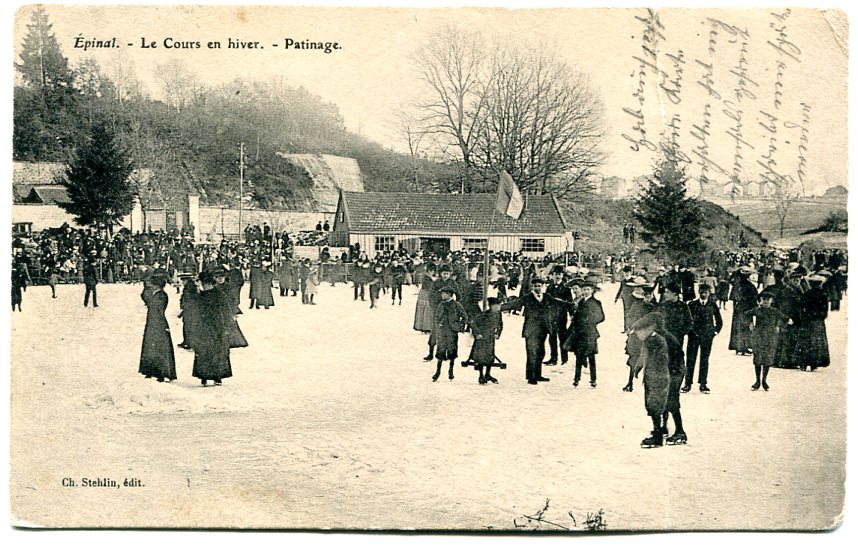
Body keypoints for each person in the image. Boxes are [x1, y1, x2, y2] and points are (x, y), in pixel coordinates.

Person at [502, 277, 565, 385]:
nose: (537, 288)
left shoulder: (546, 297)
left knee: (541, 352)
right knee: (532, 353)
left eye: (539, 286)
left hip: (543, 329)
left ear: (542, 287)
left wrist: (573, 305)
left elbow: (558, 302)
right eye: (535, 286)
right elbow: (515, 304)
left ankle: (538, 374)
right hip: (531, 330)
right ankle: (531, 376)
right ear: (532, 287)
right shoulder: (527, 298)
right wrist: (499, 307)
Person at [631, 312, 670, 448]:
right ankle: (658, 430)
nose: (637, 335)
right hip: (651, 378)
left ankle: (658, 437)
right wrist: (638, 368)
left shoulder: (658, 341)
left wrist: (655, 374)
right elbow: (643, 356)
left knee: (656, 406)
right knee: (653, 405)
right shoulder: (648, 341)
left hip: (658, 379)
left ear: (648, 329)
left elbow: (662, 361)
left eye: (638, 332)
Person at [191, 271, 233, 386]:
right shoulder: (200, 295)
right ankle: (203, 375)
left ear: (211, 283)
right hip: (203, 327)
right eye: (203, 284)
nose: (204, 286)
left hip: (217, 326)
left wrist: (227, 326)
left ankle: (217, 375)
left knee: (217, 351)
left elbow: (226, 311)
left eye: (206, 284)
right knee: (203, 351)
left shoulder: (219, 295)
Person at [565, 279, 605, 388]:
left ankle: (593, 379)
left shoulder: (596, 303)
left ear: (592, 291)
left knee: (591, 357)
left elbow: (601, 317)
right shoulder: (580, 302)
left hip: (590, 333)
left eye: (588, 289)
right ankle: (576, 378)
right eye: (584, 289)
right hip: (579, 333)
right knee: (579, 356)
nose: (586, 291)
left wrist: (590, 322)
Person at [138, 271, 177, 383]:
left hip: (158, 323)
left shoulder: (161, 295)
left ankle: (160, 372)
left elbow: (156, 309)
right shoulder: (156, 294)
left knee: (159, 348)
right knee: (152, 347)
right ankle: (151, 370)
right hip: (153, 322)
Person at [683, 283, 722, 394]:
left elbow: (719, 321)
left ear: (709, 293)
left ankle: (703, 384)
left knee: (704, 360)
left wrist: (714, 332)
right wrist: (690, 331)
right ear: (699, 292)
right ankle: (687, 383)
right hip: (693, 337)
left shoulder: (712, 305)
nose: (703, 294)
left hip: (707, 337)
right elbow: (687, 320)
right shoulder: (692, 304)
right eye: (701, 292)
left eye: (706, 292)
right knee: (690, 360)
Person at [747, 292, 786, 391]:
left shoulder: (775, 311)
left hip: (770, 337)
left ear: (771, 301)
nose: (766, 302)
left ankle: (764, 380)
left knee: (767, 359)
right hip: (758, 336)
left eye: (768, 300)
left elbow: (784, 318)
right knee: (758, 358)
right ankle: (757, 381)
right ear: (761, 300)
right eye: (764, 300)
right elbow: (746, 314)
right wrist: (751, 323)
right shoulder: (757, 310)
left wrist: (777, 325)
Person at [432, 285, 468, 382]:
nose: (442, 295)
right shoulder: (441, 304)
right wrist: (437, 325)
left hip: (452, 331)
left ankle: (451, 371)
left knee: (452, 351)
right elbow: (436, 316)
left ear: (449, 294)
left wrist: (459, 326)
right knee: (440, 350)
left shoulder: (457, 305)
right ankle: (437, 372)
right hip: (442, 331)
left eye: (443, 294)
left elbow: (465, 317)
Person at [798, 274, 831, 372]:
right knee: (816, 341)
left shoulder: (807, 294)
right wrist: (821, 316)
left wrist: (804, 316)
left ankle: (803, 362)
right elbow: (825, 310)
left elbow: (801, 306)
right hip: (817, 321)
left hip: (807, 320)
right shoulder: (823, 295)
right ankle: (814, 362)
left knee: (805, 340)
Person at [469, 297, 504, 384]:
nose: (498, 307)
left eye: (499, 305)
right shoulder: (484, 315)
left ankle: (488, 374)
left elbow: (500, 324)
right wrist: (477, 334)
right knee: (481, 357)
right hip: (482, 338)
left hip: (490, 338)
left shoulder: (498, 314)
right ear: (491, 306)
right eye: (496, 305)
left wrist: (498, 333)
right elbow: (473, 323)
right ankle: (481, 376)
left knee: (490, 356)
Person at [544, 265, 573, 366]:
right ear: (552, 275)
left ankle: (564, 359)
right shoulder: (549, 287)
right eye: (556, 274)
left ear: (562, 275)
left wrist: (572, 314)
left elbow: (570, 303)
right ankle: (553, 358)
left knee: (562, 337)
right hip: (551, 316)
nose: (557, 276)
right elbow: (545, 301)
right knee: (552, 337)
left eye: (559, 274)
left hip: (561, 316)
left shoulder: (566, 289)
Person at [729, 266, 758, 356]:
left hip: (738, 309)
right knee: (746, 328)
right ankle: (743, 346)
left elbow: (733, 298)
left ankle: (738, 346)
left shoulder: (737, 285)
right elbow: (754, 298)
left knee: (738, 327)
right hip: (747, 309)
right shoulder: (750, 286)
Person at [413, 265, 436, 334]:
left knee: (422, 311)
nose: (433, 273)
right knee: (427, 311)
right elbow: (430, 287)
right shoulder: (427, 278)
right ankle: (426, 327)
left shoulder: (426, 277)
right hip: (426, 295)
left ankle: (422, 327)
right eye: (432, 271)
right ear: (429, 271)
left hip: (423, 295)